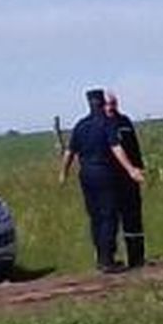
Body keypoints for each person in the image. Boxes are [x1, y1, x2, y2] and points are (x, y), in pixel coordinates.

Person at [60, 88, 145, 273]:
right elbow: (116, 147)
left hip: (86, 175)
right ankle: (108, 261)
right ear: (101, 103)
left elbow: (69, 151)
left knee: (96, 217)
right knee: (108, 216)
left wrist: (63, 173)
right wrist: (131, 170)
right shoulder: (107, 124)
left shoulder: (81, 125)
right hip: (104, 174)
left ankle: (101, 258)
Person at [102, 90, 147, 269]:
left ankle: (137, 258)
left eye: (114, 103)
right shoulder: (102, 125)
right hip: (110, 178)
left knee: (133, 218)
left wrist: (139, 167)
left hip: (130, 177)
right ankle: (109, 260)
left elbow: (134, 146)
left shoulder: (125, 122)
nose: (112, 107)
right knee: (111, 219)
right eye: (108, 103)